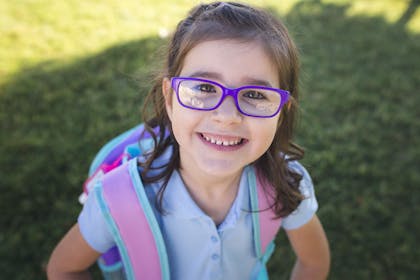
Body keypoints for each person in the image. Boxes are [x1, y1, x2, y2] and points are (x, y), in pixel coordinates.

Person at [47, 2, 330, 279]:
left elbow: (314, 263)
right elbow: (64, 268)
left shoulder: (286, 182)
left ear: (281, 112)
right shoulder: (118, 197)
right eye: (205, 88)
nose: (226, 116)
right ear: (169, 99)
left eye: (255, 94)